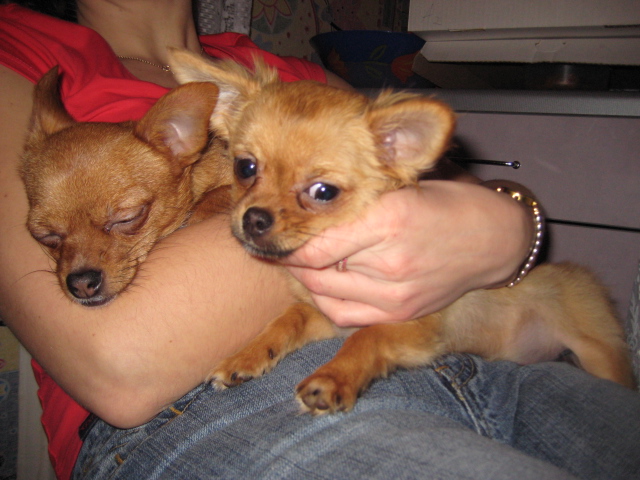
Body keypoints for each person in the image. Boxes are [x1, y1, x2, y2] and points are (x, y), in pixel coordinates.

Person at [0, 1, 638, 479]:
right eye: (247, 167)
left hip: (466, 357)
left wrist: (511, 226)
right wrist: (414, 221)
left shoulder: (286, 77)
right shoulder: (17, 50)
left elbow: (468, 203)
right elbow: (121, 365)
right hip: (204, 406)